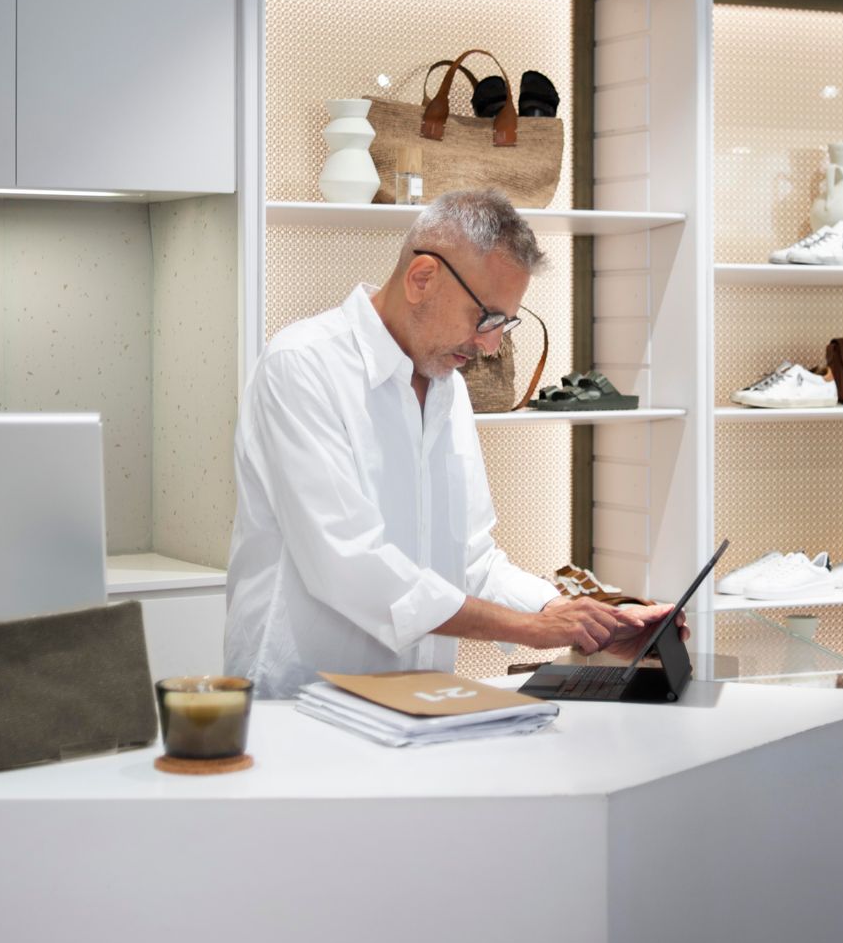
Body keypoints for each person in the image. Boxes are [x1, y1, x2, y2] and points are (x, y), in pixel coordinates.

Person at [224, 188, 682, 698]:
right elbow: (350, 566)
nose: (491, 345)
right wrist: (532, 630)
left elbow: (472, 560)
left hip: (418, 704)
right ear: (422, 278)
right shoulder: (302, 366)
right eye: (486, 318)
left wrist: (577, 619)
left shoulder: (448, 390)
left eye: (505, 324)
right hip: (302, 703)